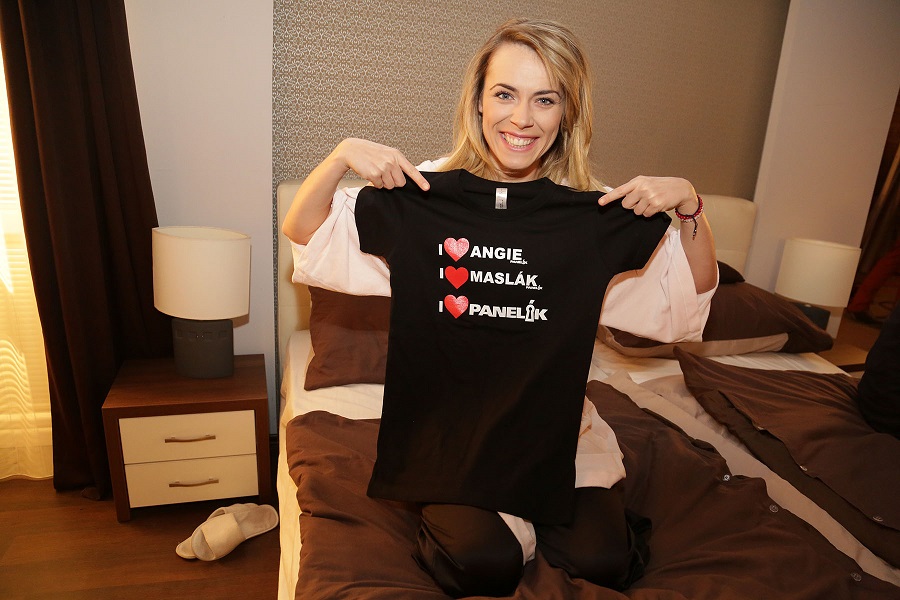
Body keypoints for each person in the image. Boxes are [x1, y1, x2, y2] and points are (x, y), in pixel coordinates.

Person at [284, 18, 717, 596]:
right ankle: (491, 522)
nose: (522, 118)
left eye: (545, 99)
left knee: (604, 561)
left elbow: (683, 301)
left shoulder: (589, 212)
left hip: (554, 431)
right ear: (479, 101)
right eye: (505, 94)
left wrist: (690, 206)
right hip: (452, 434)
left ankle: (548, 516)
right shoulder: (424, 194)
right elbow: (306, 232)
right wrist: (339, 156)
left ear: (568, 113)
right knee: (482, 563)